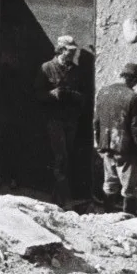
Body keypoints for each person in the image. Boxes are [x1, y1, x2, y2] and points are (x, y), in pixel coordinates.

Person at [40, 34, 95, 202]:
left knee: (66, 157)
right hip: (54, 119)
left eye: (74, 51)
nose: (73, 54)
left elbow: (84, 96)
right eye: (70, 51)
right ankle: (63, 197)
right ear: (61, 50)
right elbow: (37, 94)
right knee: (60, 157)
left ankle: (58, 196)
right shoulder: (47, 68)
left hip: (70, 120)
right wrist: (52, 94)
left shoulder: (75, 71)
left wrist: (74, 96)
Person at [93, 62, 137, 214]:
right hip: (125, 148)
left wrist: (99, 142)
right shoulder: (133, 98)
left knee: (109, 183)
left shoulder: (103, 92)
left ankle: (107, 216)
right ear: (133, 79)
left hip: (106, 145)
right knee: (129, 188)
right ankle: (129, 218)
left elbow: (96, 120)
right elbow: (135, 128)